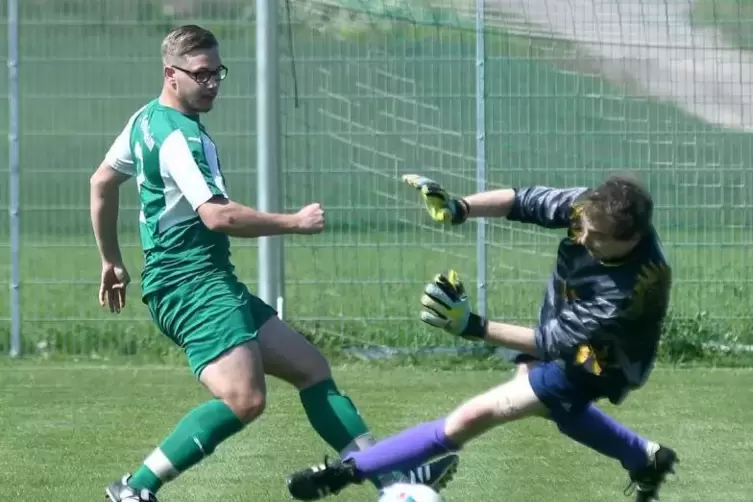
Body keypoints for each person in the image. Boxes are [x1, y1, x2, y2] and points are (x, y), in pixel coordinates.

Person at [89, 26, 459, 502]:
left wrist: (110, 260)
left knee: (312, 368)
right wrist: (295, 222)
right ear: (171, 74)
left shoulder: (146, 119)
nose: (212, 83)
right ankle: (135, 490)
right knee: (245, 398)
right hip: (191, 286)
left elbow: (101, 182)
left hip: (206, 280)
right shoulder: (180, 138)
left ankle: (393, 480)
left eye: (217, 72)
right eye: (200, 75)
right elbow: (218, 215)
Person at [285, 174, 679, 502]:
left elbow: (552, 343)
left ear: (629, 240)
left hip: (598, 360)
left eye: (595, 239)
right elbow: (522, 201)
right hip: (565, 332)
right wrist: (461, 207)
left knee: (474, 415)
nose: (581, 237)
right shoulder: (591, 209)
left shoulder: (626, 292)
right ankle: (645, 458)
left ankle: (343, 473)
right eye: (582, 228)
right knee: (559, 408)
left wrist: (470, 326)